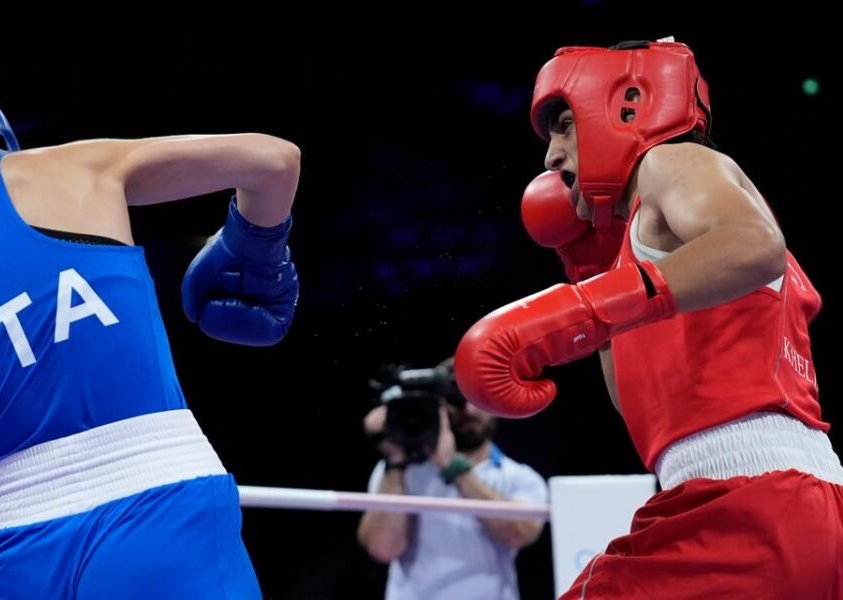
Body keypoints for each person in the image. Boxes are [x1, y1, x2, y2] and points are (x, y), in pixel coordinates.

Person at [0, 73, 300, 599]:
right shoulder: (69, 167)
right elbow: (274, 160)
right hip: (164, 514)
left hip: (17, 553)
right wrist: (255, 251)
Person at [455, 40, 843, 598]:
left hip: (751, 502)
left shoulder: (674, 159)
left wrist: (581, 307)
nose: (551, 156)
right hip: (755, 500)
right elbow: (641, 408)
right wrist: (590, 274)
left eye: (565, 126)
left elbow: (756, 244)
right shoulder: (654, 250)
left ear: (626, 104)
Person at [357, 359, 548, 600]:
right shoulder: (398, 471)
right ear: (439, 406)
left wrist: (453, 466)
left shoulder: (520, 477)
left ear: (495, 403)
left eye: (477, 398)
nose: (468, 409)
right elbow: (382, 548)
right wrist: (395, 460)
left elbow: (517, 535)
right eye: (457, 398)